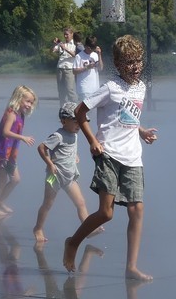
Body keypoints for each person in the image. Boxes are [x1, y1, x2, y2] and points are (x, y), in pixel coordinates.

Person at [62, 35, 158, 280]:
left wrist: (142, 131)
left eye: (138, 61)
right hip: (109, 154)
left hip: (133, 156)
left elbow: (127, 119)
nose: (135, 66)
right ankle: (73, 242)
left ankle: (131, 267)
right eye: (129, 62)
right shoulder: (110, 88)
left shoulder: (141, 87)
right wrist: (92, 141)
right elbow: (79, 112)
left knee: (137, 210)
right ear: (117, 63)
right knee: (106, 213)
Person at [32, 102, 100, 243]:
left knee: (81, 202)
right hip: (54, 177)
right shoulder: (58, 135)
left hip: (69, 177)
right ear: (64, 121)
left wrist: (74, 155)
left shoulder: (74, 134)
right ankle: (38, 228)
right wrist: (50, 164)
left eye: (80, 121)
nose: (79, 125)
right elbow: (41, 148)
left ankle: (88, 229)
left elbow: (68, 149)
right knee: (47, 204)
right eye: (75, 121)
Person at [0, 85, 37, 217]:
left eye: (31, 102)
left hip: (10, 153)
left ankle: (0, 202)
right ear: (18, 98)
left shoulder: (20, 114)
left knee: (15, 180)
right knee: (2, 180)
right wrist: (23, 138)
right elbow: (5, 132)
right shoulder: (11, 113)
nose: (29, 105)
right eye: (27, 101)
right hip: (0, 151)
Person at [72, 35, 103, 105]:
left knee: (94, 112)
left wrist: (99, 54)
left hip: (95, 88)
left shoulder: (95, 55)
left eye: (93, 49)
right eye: (90, 48)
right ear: (86, 46)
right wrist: (86, 68)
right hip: (84, 89)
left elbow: (100, 68)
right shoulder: (79, 56)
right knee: (85, 112)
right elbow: (74, 71)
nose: (91, 50)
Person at [51, 27, 76, 108]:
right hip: (60, 68)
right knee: (61, 91)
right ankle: (63, 109)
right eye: (64, 34)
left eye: (67, 34)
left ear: (72, 34)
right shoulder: (61, 44)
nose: (65, 36)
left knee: (70, 90)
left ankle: (75, 108)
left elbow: (75, 55)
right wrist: (54, 44)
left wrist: (65, 48)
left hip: (69, 69)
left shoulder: (75, 45)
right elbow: (52, 51)